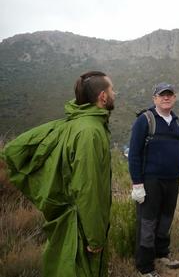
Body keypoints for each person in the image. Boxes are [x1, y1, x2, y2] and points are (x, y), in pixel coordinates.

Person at [1, 71, 115, 277]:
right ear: (103, 96)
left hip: (72, 224)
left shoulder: (79, 124)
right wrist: (95, 238)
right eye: (112, 89)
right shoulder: (89, 132)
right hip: (80, 230)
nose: (115, 93)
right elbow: (87, 188)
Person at [128, 82, 179, 277]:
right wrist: (137, 184)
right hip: (150, 181)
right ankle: (144, 266)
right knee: (147, 222)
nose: (166, 97)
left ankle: (162, 253)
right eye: (162, 95)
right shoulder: (145, 120)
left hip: (172, 180)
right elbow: (134, 154)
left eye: (169, 94)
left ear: (174, 98)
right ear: (154, 98)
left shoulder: (178, 122)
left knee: (165, 220)